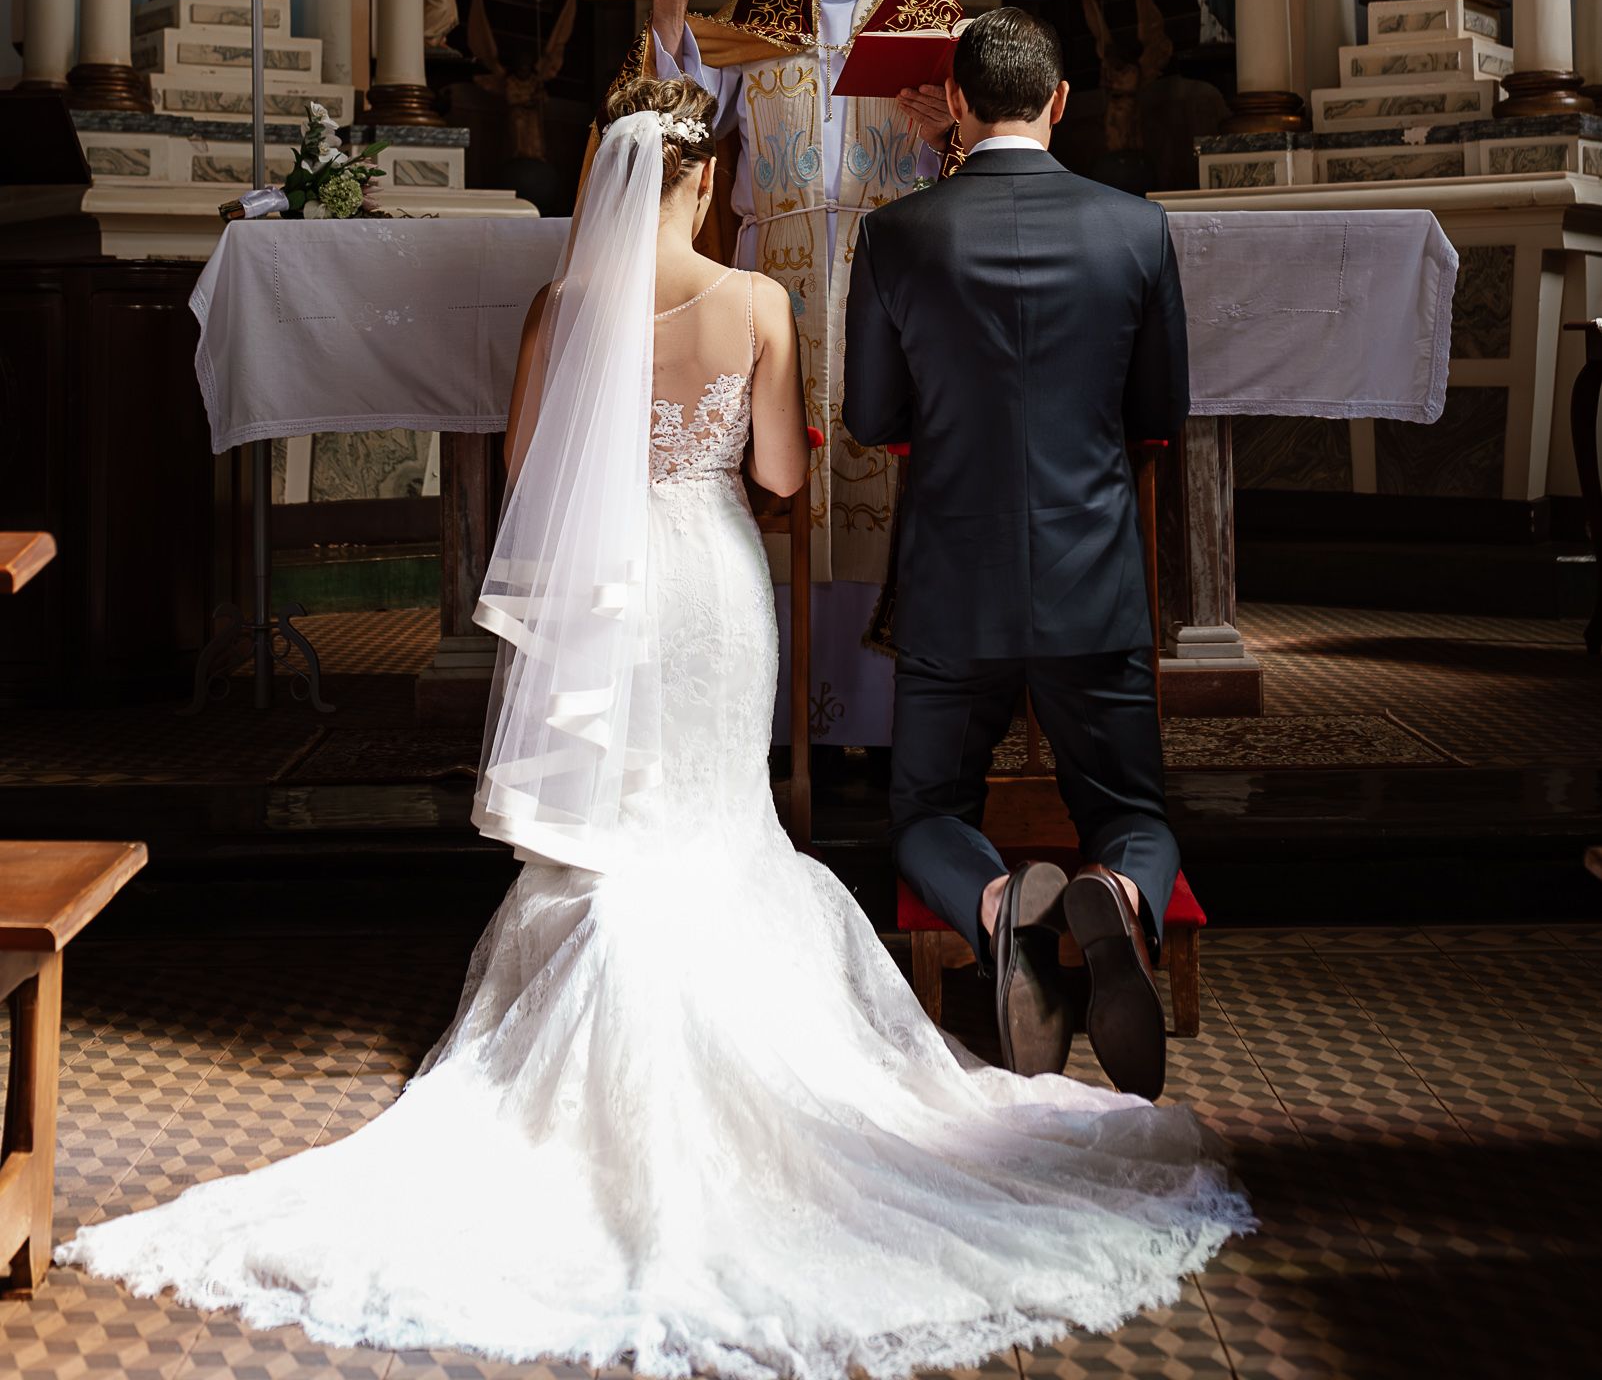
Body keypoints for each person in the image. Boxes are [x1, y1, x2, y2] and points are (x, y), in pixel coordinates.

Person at [60, 77, 1246, 1367]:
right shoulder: (755, 302)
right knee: (719, 817)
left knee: (623, 822)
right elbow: (785, 474)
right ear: (701, 181)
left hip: (609, 593)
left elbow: (530, 476)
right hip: (715, 584)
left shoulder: (559, 309)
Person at [844, 7, 1190, 1101]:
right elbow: (1160, 414)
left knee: (928, 812)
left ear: (954, 103)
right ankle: (1123, 901)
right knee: (1131, 811)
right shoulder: (1136, 229)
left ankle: (1001, 908)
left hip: (956, 577)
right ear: (1061, 103)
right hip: (1094, 577)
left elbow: (867, 414)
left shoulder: (900, 233)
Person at [638, 0, 960, 743]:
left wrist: (950, 131)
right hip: (769, 284)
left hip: (894, 280)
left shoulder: (924, 10)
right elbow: (676, 127)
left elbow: (989, 150)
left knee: (889, 478)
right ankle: (774, 720)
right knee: (773, 479)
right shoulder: (754, 16)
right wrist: (671, 5)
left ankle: (894, 721)